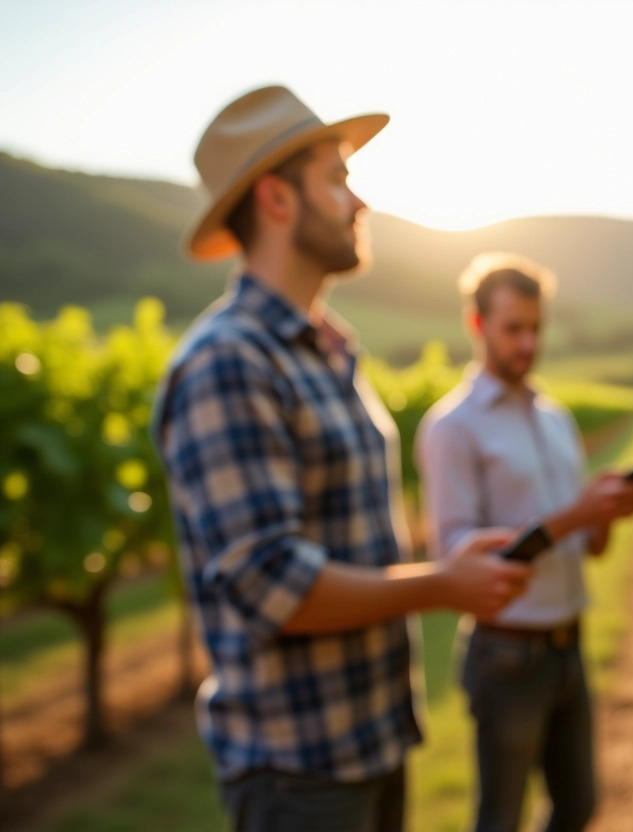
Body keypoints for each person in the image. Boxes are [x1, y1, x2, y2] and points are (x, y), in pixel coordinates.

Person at [151, 85, 533, 832]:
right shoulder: (227, 363)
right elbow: (273, 584)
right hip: (299, 771)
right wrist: (442, 585)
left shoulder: (329, 350)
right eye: (336, 177)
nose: (358, 202)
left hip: (368, 739)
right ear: (277, 199)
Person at [415, 253, 633, 832]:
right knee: (500, 819)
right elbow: (457, 559)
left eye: (535, 328)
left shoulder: (554, 418)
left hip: (569, 640)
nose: (527, 343)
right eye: (512, 328)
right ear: (477, 325)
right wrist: (577, 514)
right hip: (506, 656)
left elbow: (585, 549)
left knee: (578, 806)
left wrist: (602, 516)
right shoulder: (452, 428)